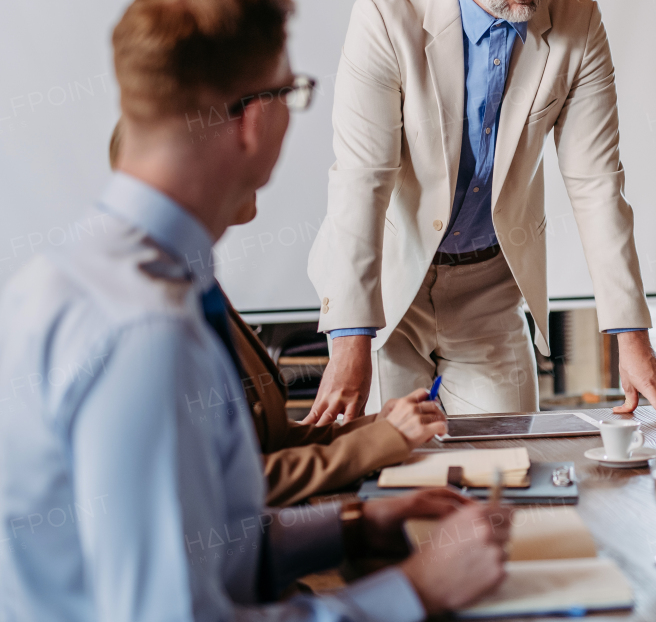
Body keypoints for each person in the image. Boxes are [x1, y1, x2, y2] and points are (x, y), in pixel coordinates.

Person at [0, 0, 509, 621]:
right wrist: (415, 590)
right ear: (252, 117)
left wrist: (351, 527)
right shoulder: (147, 334)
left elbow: (193, 537)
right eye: (293, 94)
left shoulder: (62, 280)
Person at [307, 0, 656, 423]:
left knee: (511, 466)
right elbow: (360, 181)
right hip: (389, 278)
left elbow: (597, 186)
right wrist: (352, 344)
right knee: (386, 471)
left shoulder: (578, 24)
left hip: (489, 286)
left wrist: (632, 338)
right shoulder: (384, 18)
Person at [108, 121, 447, 507]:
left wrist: (377, 427)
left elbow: (265, 440)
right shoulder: (156, 310)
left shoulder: (195, 275)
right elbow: (231, 481)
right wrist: (382, 442)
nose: (261, 169)